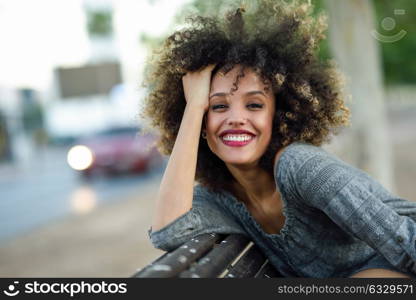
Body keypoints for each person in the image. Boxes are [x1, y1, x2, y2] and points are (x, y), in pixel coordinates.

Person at [142, 0, 416, 278]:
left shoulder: (301, 167)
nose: (236, 118)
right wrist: (194, 106)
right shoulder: (219, 198)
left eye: (254, 105)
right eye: (219, 106)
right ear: (202, 123)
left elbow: (405, 242)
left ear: (277, 116)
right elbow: (169, 233)